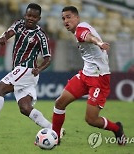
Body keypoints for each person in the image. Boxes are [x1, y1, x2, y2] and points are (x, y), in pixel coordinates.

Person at [0, 3, 63, 137]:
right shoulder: (19, 24)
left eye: (34, 16)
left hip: (27, 69)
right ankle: (55, 129)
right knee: (25, 108)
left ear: (39, 18)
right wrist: (4, 37)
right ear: (25, 15)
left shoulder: (41, 35)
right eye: (29, 15)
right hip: (22, 71)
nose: (30, 18)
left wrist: (40, 69)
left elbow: (48, 58)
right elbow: (9, 32)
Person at [52, 6, 126, 145]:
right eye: (63, 18)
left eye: (68, 17)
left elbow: (89, 37)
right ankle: (55, 138)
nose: (65, 21)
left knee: (91, 120)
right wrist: (98, 42)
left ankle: (117, 128)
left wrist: (99, 43)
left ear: (77, 17)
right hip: (85, 75)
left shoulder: (81, 29)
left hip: (99, 79)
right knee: (59, 103)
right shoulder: (80, 29)